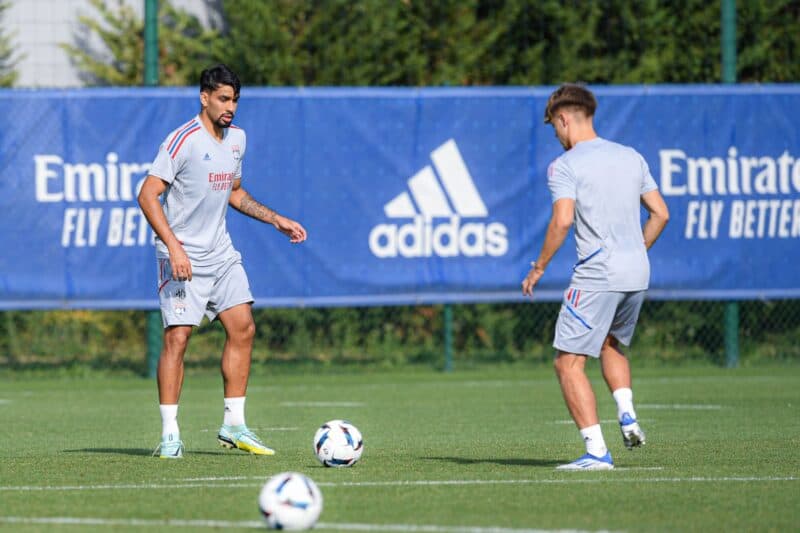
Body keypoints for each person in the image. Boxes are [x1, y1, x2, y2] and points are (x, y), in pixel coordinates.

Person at [138, 64, 307, 459]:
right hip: (182, 256)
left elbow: (235, 192)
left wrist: (275, 218)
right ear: (204, 97)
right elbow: (148, 195)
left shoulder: (237, 140)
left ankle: (233, 425)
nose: (230, 107)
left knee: (243, 327)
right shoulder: (182, 141)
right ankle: (169, 434)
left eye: (235, 100)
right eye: (223, 99)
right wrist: (175, 248)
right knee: (178, 338)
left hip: (221, 253)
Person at [521, 83, 669, 470]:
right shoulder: (630, 156)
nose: (555, 134)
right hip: (637, 273)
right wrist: (635, 251)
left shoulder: (566, 165)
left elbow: (563, 219)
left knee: (567, 363)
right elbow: (660, 214)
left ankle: (596, 452)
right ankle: (627, 412)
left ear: (563, 118)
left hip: (597, 275)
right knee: (611, 345)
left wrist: (538, 267)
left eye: (554, 126)